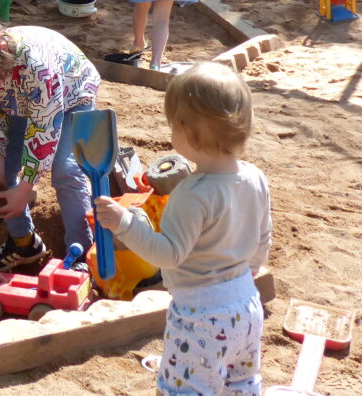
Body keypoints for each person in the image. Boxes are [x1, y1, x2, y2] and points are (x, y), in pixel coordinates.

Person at [96, 63, 271, 396]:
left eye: (173, 125)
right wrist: (241, 278)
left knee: (183, 389)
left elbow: (169, 255)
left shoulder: (191, 193)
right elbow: (263, 239)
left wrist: (126, 223)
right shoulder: (254, 177)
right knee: (240, 385)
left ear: (190, 132)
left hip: (201, 316)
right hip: (247, 306)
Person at [0, 14, 100, 272]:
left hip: (70, 96)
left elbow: (44, 131)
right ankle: (24, 244)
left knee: (66, 172)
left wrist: (25, 189)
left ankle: (81, 255)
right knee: (5, 173)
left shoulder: (39, 69)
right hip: (16, 102)